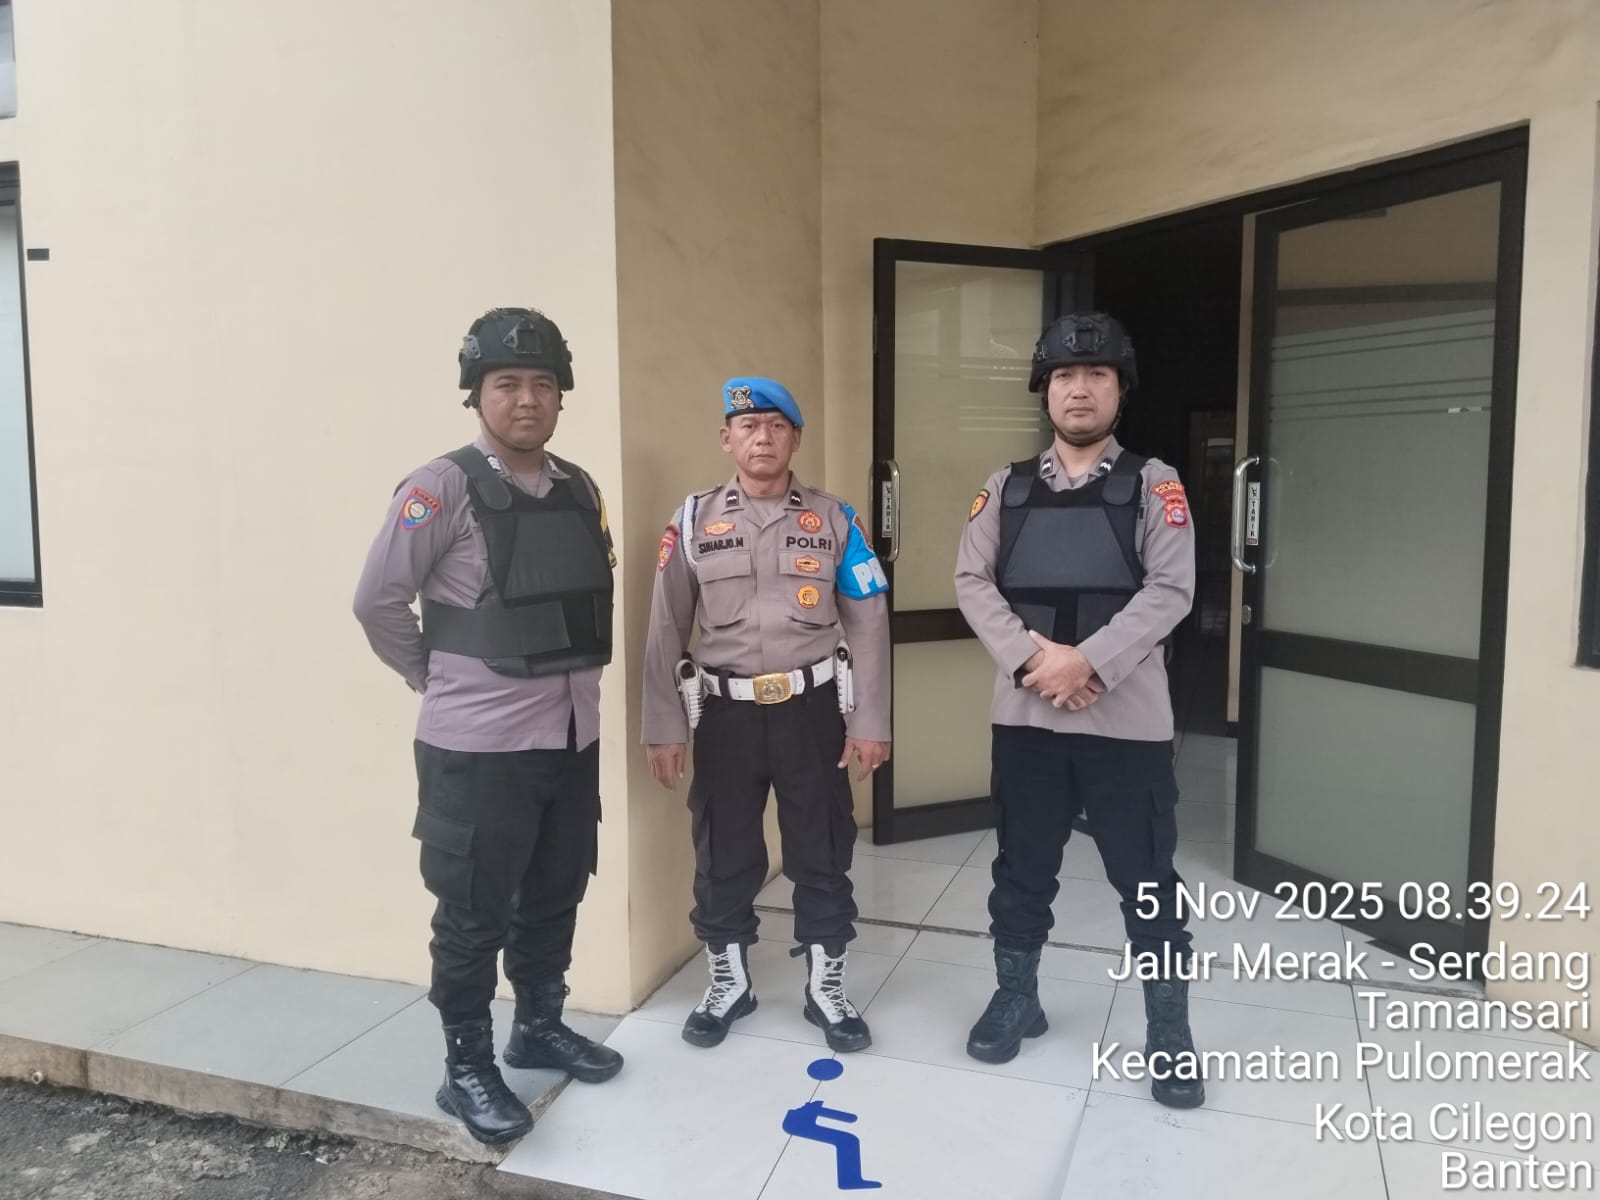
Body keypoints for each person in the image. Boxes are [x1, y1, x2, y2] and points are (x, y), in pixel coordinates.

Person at [353, 307, 623, 1146]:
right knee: (472, 911)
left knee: (556, 890)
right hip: (479, 747)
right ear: (477, 393)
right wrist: (430, 675)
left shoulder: (579, 487)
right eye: (508, 383)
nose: (527, 399)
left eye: (543, 384)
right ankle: (465, 1065)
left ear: (562, 395)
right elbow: (377, 601)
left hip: (570, 738)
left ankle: (538, 1024)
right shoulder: (440, 487)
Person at [953, 312, 1204, 1109]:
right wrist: (1038, 663)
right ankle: (1016, 997)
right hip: (1028, 721)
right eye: (1064, 375)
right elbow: (971, 583)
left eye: (1097, 375)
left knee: (1147, 883)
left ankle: (1169, 1031)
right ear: (1045, 391)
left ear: (1120, 390)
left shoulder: (1155, 484)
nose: (1080, 389)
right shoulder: (1004, 487)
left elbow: (1172, 589)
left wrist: (1086, 661)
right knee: (1021, 874)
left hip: (1125, 727)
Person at [641, 377, 891, 1054]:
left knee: (823, 847)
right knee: (724, 850)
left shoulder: (835, 519)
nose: (762, 438)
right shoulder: (693, 521)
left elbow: (868, 621)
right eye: (748, 426)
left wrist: (871, 719)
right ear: (727, 439)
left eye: (777, 426)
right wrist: (664, 726)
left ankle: (826, 987)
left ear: (795, 439)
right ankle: (729, 982)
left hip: (812, 712)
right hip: (725, 715)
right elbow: (665, 627)